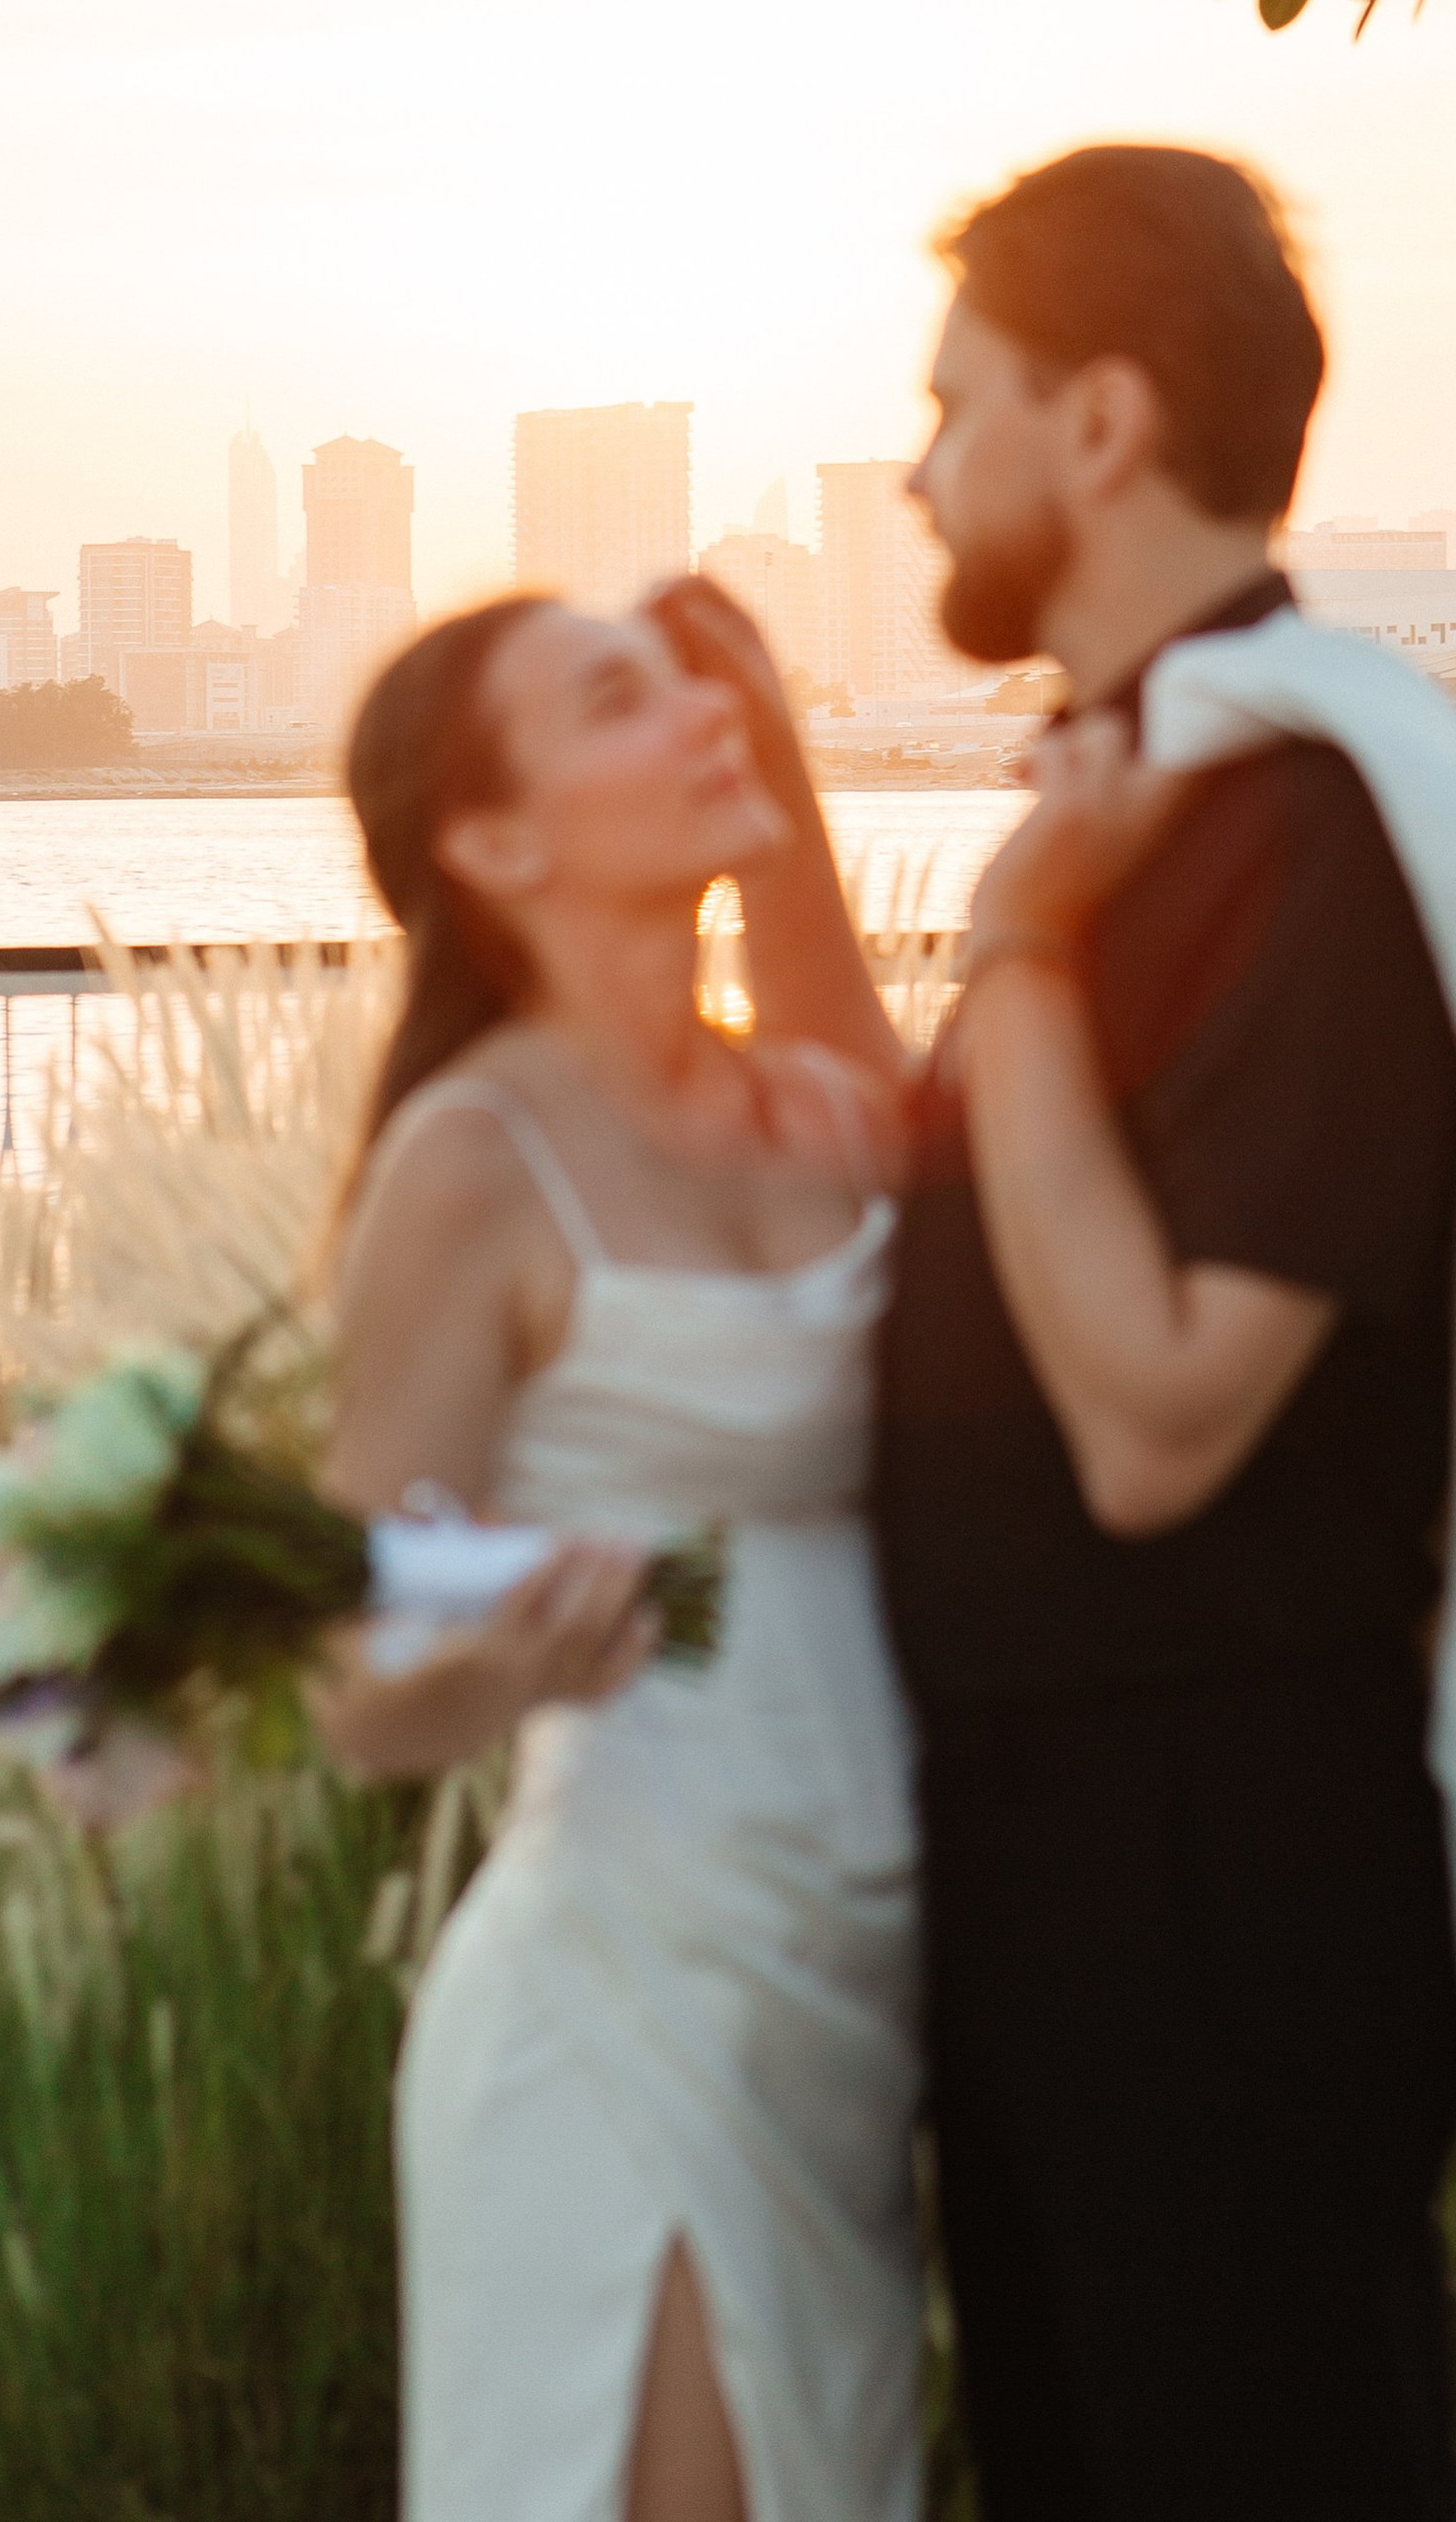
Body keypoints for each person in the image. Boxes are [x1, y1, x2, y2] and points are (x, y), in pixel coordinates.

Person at [710, 143, 1456, 2522]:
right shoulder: (1138, 786)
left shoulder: (1297, 820)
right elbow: (970, 1217)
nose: (921, 463)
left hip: (1211, 1897)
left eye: (957, 404)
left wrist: (1019, 955)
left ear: (1105, 424)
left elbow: (1153, 1421)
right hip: (1071, 1869)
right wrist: (801, 870)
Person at [310, 593, 922, 2522]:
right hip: (628, 1983)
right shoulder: (476, 1161)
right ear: (498, 843)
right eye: (616, 696)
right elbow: (351, 1680)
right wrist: (505, 1663)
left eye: (691, 673)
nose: (698, 706)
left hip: (853, 1985)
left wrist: (788, 796)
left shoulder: (824, 1112)